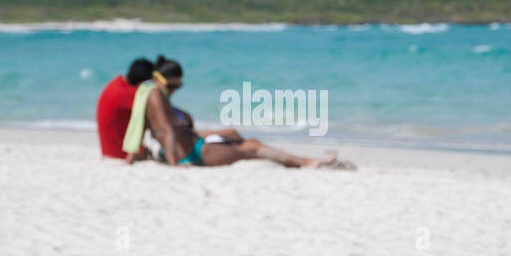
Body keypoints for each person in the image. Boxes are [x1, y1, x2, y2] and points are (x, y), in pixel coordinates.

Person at [123, 56, 351, 169]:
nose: (174, 91)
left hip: (196, 145)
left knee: (250, 142)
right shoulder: (154, 94)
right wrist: (174, 167)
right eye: (171, 86)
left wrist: (221, 131)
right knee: (253, 151)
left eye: (178, 87)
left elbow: (146, 126)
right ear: (158, 80)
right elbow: (167, 131)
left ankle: (309, 162)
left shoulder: (156, 97)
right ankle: (310, 163)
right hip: (192, 153)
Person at [95, 58, 154, 159]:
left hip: (108, 149)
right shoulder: (131, 94)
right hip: (120, 151)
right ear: (143, 83)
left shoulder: (115, 82)